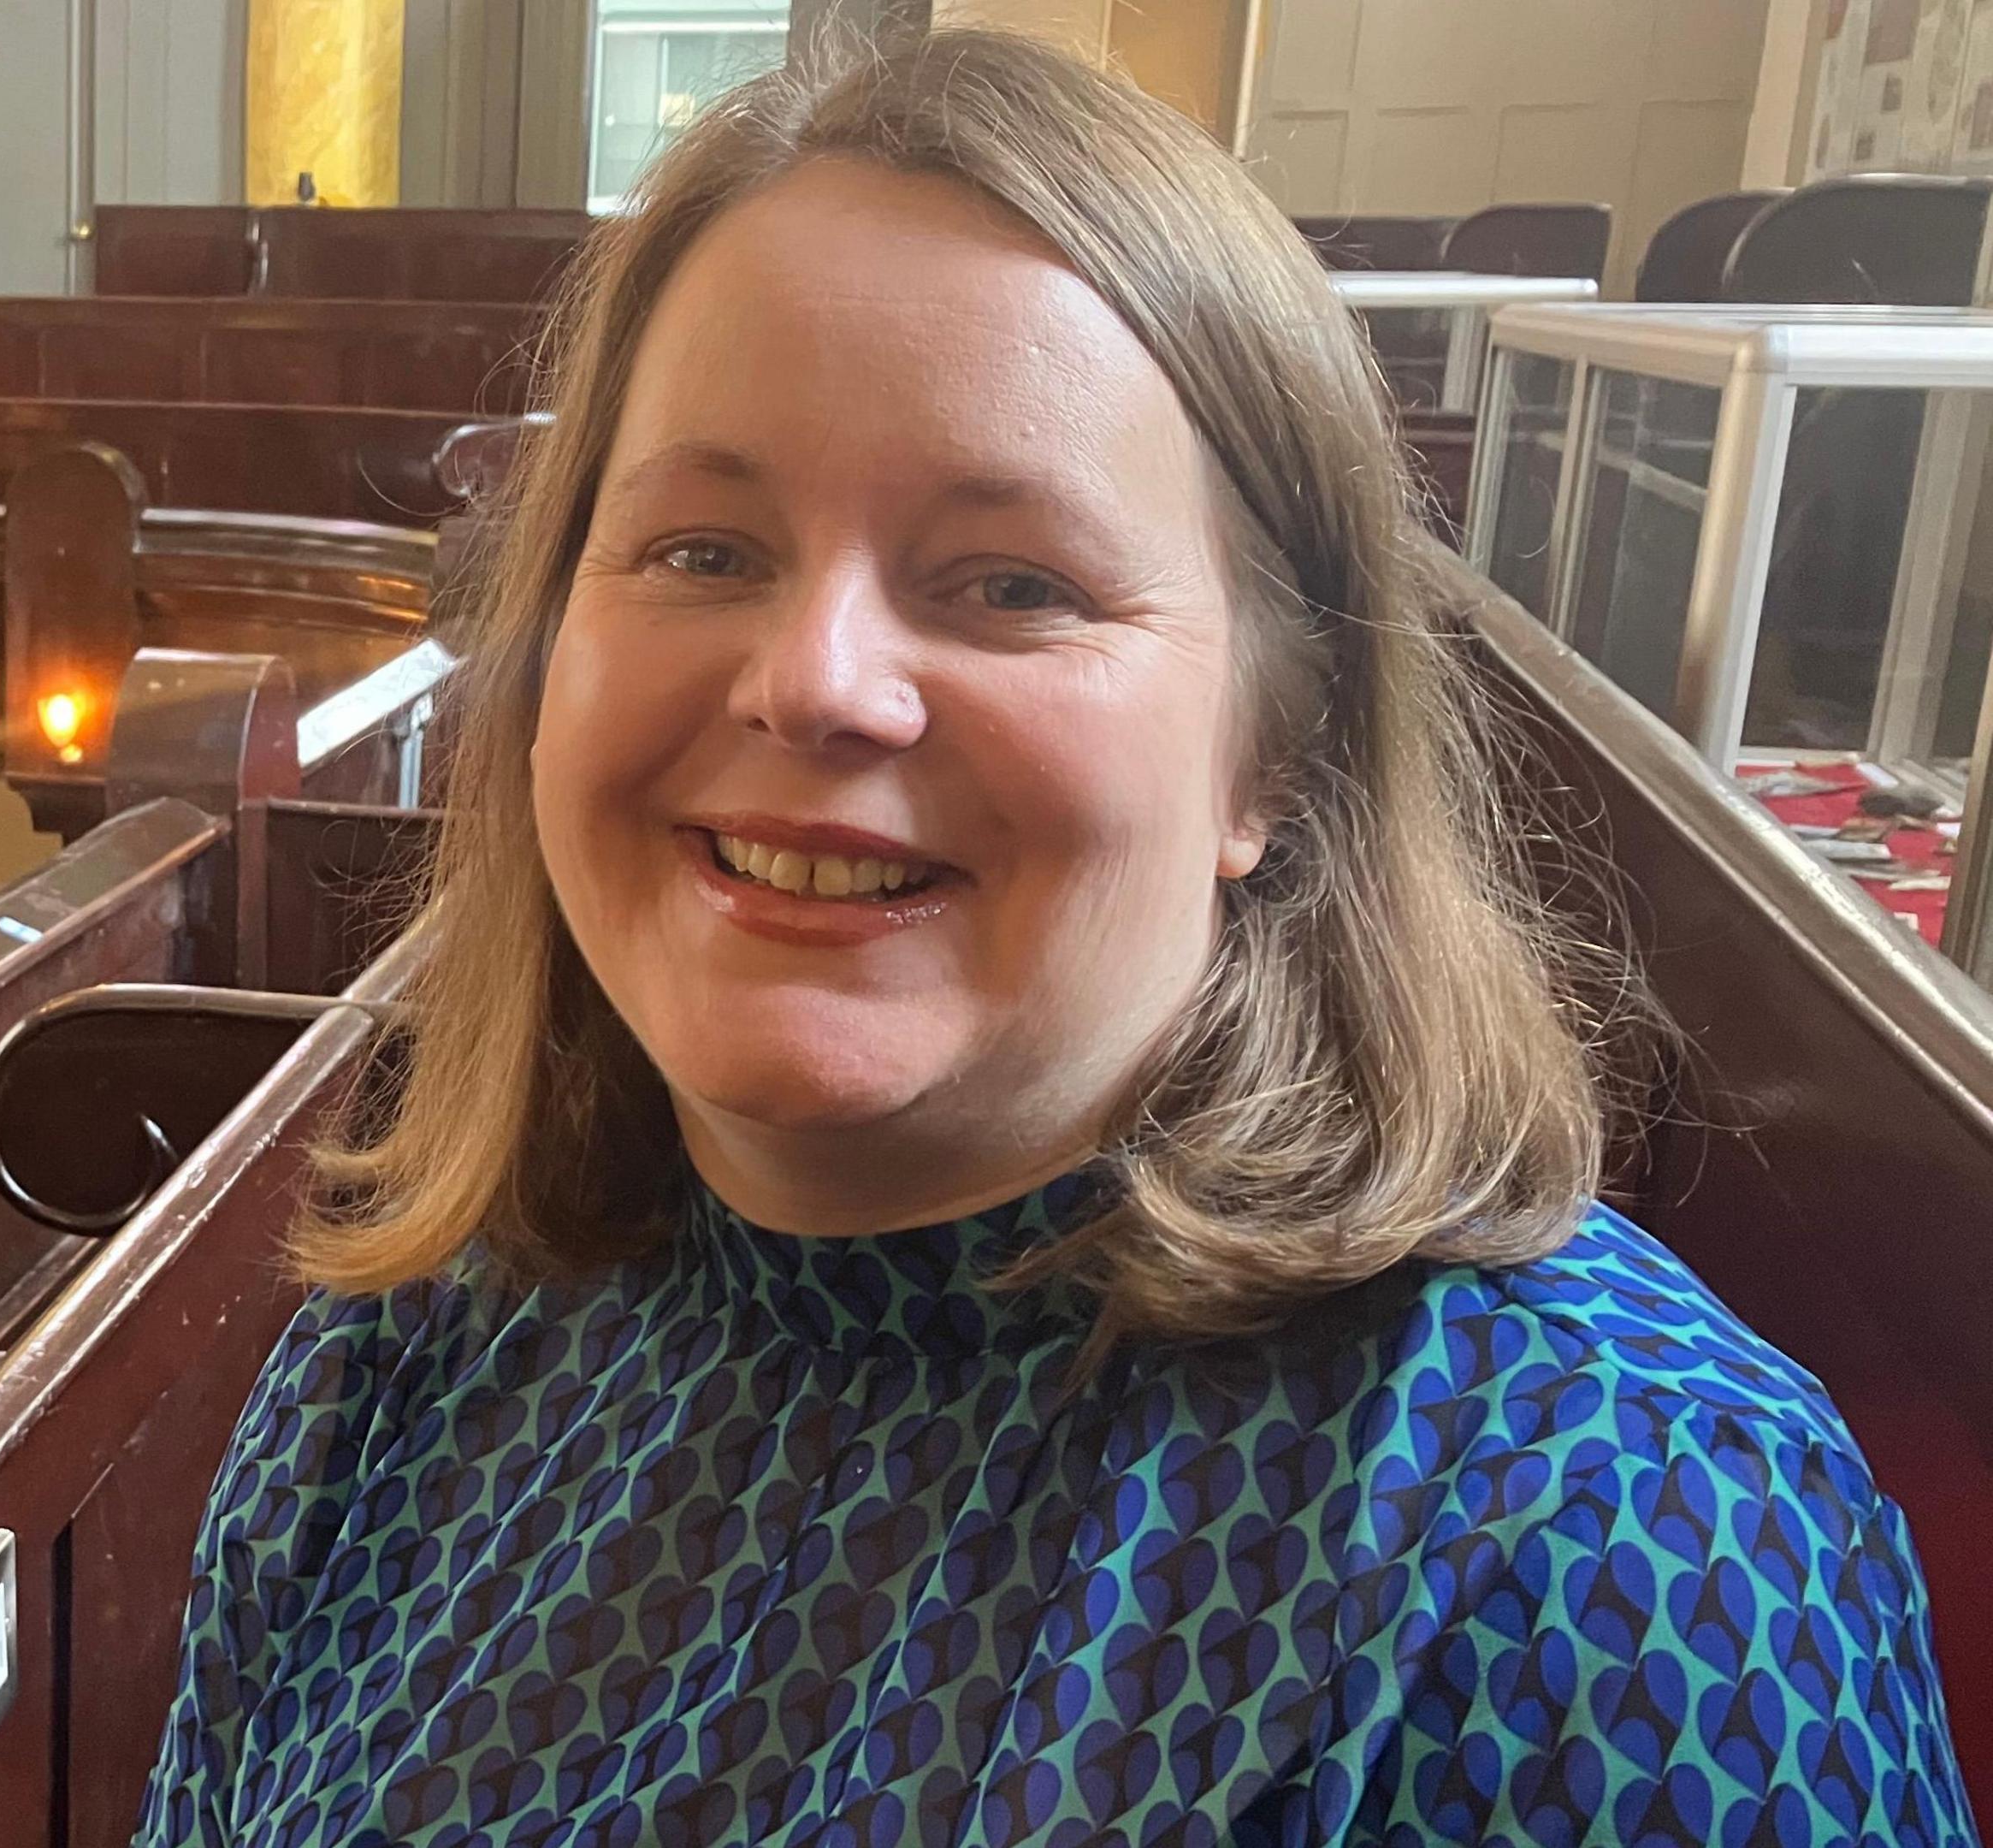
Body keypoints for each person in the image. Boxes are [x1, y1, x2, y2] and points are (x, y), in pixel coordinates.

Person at [133, 25, 1977, 1848]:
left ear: (1275, 750)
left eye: (1012, 585)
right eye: (703, 550)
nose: (817, 684)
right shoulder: (420, 1341)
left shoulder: (1607, 1536)